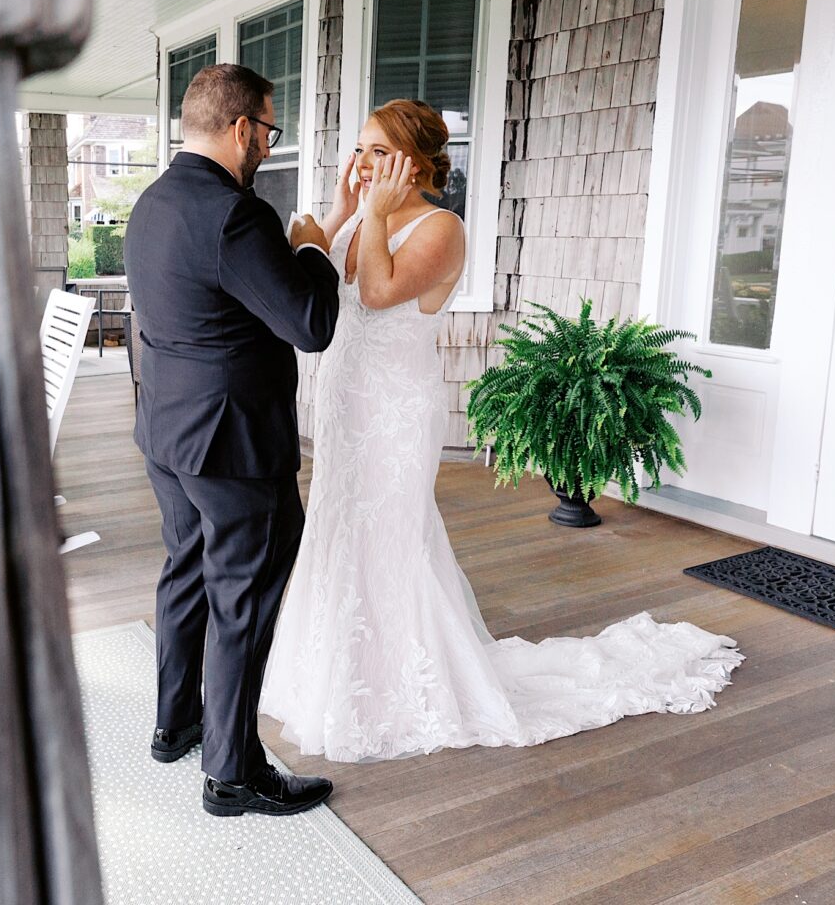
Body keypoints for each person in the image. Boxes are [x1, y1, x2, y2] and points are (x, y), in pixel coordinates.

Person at [260, 99, 743, 763]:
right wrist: (344, 210)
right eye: (360, 149)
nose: (363, 163)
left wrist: (368, 218)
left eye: (380, 152)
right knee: (339, 525)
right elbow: (304, 268)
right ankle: (331, 674)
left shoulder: (441, 228)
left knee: (388, 534)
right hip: (343, 403)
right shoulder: (362, 214)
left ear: (419, 162)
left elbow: (373, 291)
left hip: (394, 410)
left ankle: (396, 683)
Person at [123, 64, 341, 816]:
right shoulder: (235, 215)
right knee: (242, 598)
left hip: (166, 429)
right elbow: (308, 325)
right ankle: (231, 775)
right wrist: (310, 248)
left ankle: (173, 722)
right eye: (268, 130)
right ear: (243, 127)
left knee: (186, 571)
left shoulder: (151, 203)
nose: (265, 147)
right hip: (233, 445)